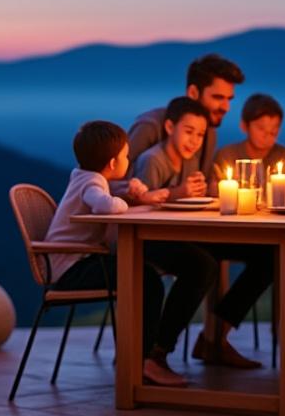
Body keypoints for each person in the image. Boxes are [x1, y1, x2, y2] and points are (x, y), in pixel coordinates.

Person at [45, 120, 217, 386]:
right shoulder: (92, 184)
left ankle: (144, 358)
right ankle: (143, 362)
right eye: (126, 156)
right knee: (145, 279)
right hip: (73, 268)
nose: (128, 161)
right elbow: (103, 204)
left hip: (76, 262)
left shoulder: (85, 176)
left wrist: (127, 191)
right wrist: (122, 201)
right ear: (113, 163)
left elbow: (101, 193)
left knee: (146, 276)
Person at [135, 98, 273, 370]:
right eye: (189, 132)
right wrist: (179, 193)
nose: (195, 141)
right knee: (201, 265)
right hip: (151, 240)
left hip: (184, 234)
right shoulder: (153, 161)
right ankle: (159, 351)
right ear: (169, 126)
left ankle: (217, 334)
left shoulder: (189, 161)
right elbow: (139, 208)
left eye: (200, 135)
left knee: (268, 254)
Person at [128, 54, 245, 192]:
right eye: (218, 97)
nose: (226, 107)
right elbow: (112, 180)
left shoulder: (210, 133)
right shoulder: (150, 126)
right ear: (193, 92)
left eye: (229, 99)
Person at [212, 93, 285, 182]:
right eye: (261, 128)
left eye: (274, 129)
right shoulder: (227, 156)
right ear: (244, 126)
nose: (268, 134)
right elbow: (212, 190)